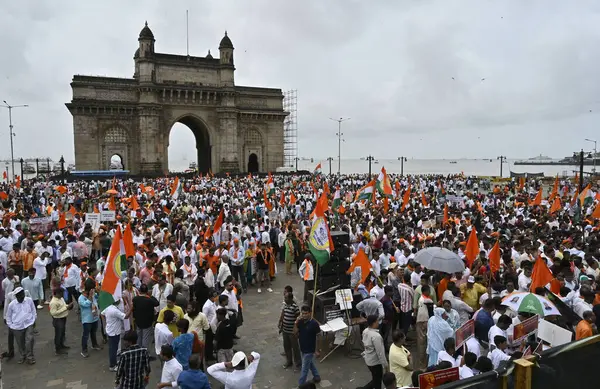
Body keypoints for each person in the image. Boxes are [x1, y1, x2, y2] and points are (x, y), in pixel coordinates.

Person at [5, 287, 37, 364]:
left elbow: (33, 310)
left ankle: (30, 357)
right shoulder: (12, 305)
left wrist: (33, 319)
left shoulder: (29, 300)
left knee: (30, 340)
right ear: (16, 296)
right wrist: (11, 326)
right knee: (20, 343)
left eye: (22, 295)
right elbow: (8, 316)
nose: (22, 297)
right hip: (17, 327)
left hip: (29, 323)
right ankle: (23, 355)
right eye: (19, 296)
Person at [358, 314, 388, 389]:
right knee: (377, 382)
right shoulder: (376, 336)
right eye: (377, 321)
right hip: (375, 363)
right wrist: (385, 365)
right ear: (374, 323)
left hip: (368, 360)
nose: (378, 322)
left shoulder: (365, 331)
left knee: (376, 378)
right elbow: (380, 353)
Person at [295, 305, 321, 386]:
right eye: (303, 313)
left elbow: (318, 337)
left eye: (306, 313)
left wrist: (317, 350)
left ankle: (301, 385)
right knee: (310, 364)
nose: (304, 315)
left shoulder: (314, 324)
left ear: (310, 313)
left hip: (310, 349)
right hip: (302, 347)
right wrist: (295, 323)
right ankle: (316, 376)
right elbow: (295, 332)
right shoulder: (300, 322)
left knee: (304, 369)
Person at [102, 298, 130, 371]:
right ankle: (112, 366)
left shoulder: (108, 308)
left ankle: (114, 362)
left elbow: (102, 314)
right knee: (113, 350)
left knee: (113, 348)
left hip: (111, 330)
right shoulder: (115, 311)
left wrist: (106, 323)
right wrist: (131, 308)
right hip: (114, 332)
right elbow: (126, 316)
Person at [132, 283, 159, 352]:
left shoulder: (135, 299)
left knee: (139, 336)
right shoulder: (150, 300)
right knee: (145, 338)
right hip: (147, 322)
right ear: (147, 291)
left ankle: (138, 350)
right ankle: (144, 353)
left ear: (140, 290)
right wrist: (151, 295)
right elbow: (157, 303)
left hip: (138, 321)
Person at [280, 292, 301, 370]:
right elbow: (283, 315)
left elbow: (298, 318)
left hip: (292, 332)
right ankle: (289, 361)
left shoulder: (295, 307)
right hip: (285, 330)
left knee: (295, 348)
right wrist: (281, 325)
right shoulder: (285, 305)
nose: (284, 299)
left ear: (290, 299)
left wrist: (296, 329)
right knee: (286, 346)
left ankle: (298, 363)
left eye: (286, 298)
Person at [78, 285, 101, 358]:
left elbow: (98, 298)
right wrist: (90, 296)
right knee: (86, 335)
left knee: (93, 332)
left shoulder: (93, 294)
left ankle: (94, 345)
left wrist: (98, 292)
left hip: (94, 317)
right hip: (87, 319)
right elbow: (86, 304)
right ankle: (84, 350)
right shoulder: (81, 298)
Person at [49, 287, 73, 355]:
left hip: (63, 318)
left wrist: (68, 306)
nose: (62, 294)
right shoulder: (53, 302)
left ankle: (62, 345)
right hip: (58, 319)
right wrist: (66, 308)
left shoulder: (61, 298)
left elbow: (64, 305)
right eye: (61, 293)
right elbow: (53, 313)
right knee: (58, 334)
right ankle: (58, 349)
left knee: (62, 333)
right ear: (57, 293)